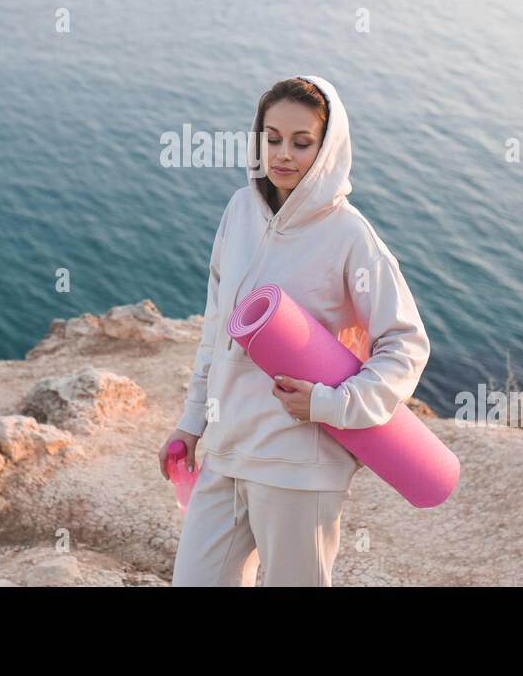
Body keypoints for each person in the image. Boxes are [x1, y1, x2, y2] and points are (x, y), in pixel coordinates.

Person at [159, 74, 432, 586]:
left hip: (298, 466)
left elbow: (406, 343)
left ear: (327, 148)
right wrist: (191, 423)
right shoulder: (240, 211)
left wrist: (334, 403)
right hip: (225, 453)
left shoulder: (350, 235)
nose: (284, 154)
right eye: (272, 138)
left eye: (302, 142)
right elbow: (216, 327)